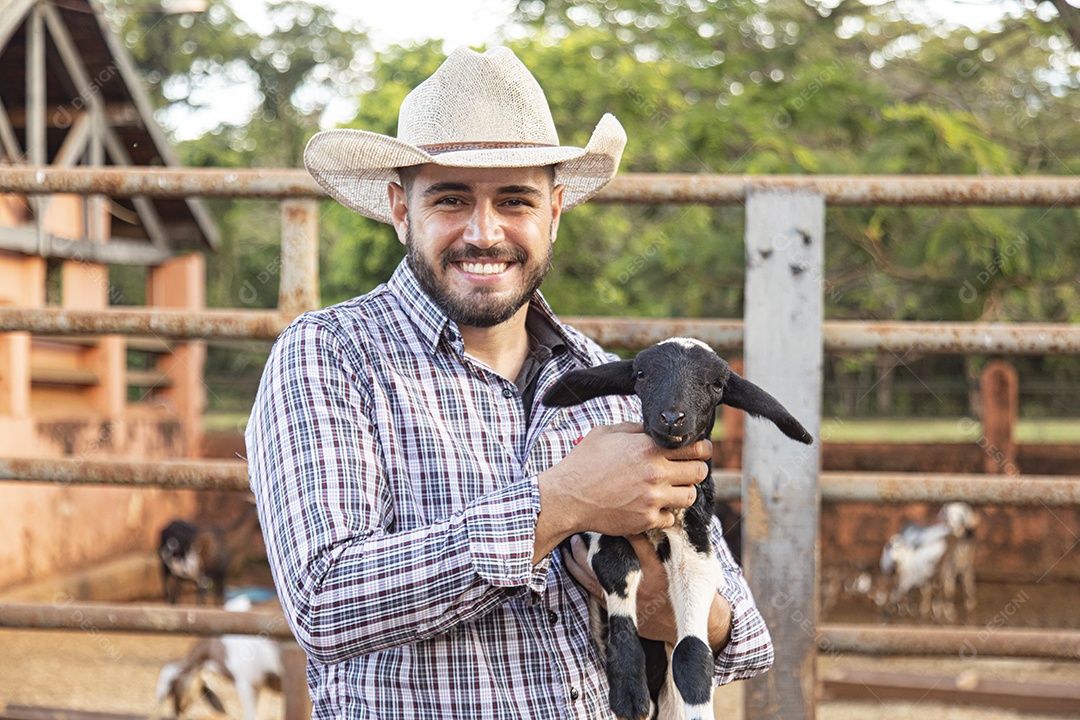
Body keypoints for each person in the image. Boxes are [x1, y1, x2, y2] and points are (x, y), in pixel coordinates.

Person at [246, 46, 773, 719]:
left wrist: (671, 609)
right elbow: (322, 603)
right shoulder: (328, 357)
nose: (484, 232)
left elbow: (748, 639)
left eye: (514, 200)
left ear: (553, 211)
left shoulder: (616, 383)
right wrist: (560, 503)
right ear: (400, 209)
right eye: (451, 199)